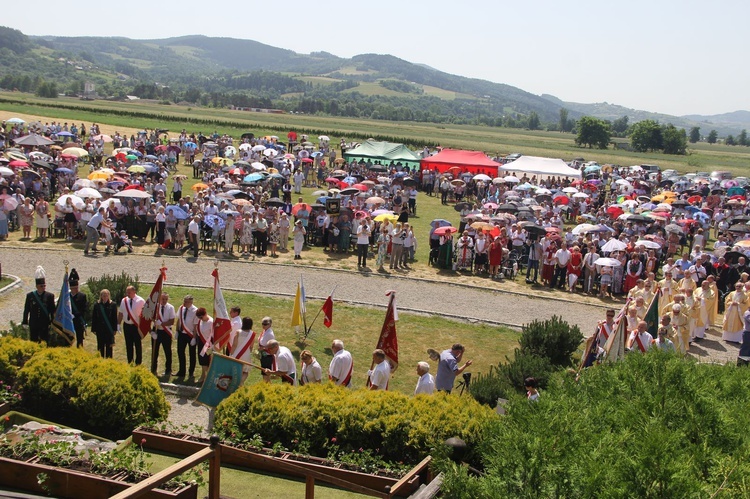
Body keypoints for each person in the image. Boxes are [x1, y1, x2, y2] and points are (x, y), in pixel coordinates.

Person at [22, 266, 55, 343]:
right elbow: (26, 310)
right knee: (34, 341)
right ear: (37, 286)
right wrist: (25, 322)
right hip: (34, 323)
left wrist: (52, 322)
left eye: (44, 286)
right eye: (41, 286)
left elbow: (52, 311)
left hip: (44, 323)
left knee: (44, 341)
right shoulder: (30, 296)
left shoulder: (50, 296)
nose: (43, 287)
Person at [118, 285, 146, 365]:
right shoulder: (124, 301)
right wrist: (118, 324)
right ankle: (130, 361)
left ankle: (138, 362)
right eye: (127, 292)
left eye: (129, 292)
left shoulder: (140, 301)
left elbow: (144, 315)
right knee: (128, 344)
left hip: (136, 326)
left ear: (134, 291)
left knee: (137, 345)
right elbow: (120, 312)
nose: (127, 294)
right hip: (127, 325)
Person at [150, 292, 176, 377]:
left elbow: (172, 321)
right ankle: (153, 369)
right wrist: (152, 330)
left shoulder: (170, 307)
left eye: (166, 299)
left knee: (167, 352)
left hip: (166, 332)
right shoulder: (155, 307)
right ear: (159, 299)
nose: (164, 301)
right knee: (155, 351)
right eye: (162, 299)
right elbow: (150, 318)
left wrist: (161, 324)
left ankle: (168, 370)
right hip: (157, 331)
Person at [175, 295, 199, 378]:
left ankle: (191, 372)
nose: (184, 303)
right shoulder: (181, 308)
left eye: (186, 301)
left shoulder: (195, 311)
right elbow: (179, 320)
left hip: (191, 335)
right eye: (184, 301)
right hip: (182, 334)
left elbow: (196, 325)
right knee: (180, 352)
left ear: (191, 302)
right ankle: (181, 371)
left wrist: (194, 338)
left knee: (192, 354)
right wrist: (176, 331)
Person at [91, 289, 118, 358]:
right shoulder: (97, 305)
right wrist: (93, 328)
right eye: (103, 295)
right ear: (101, 296)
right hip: (100, 329)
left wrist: (115, 329)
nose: (105, 297)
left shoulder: (113, 304)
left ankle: (109, 360)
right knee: (100, 346)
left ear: (109, 296)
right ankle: (100, 360)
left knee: (109, 346)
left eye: (106, 295)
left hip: (109, 329)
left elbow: (115, 318)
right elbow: (94, 317)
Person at [230, 317, 256, 384]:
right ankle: (241, 382)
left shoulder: (238, 332)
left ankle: (236, 383)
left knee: (236, 371)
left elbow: (234, 345)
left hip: (236, 354)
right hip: (246, 355)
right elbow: (251, 346)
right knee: (245, 372)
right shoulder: (252, 334)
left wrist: (231, 354)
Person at [68, 269, 88, 348]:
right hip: (69, 319)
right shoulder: (67, 297)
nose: (76, 289)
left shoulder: (82, 296)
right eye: (74, 288)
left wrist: (77, 314)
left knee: (80, 339)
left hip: (78, 320)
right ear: (71, 288)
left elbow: (85, 308)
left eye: (77, 287)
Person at [195, 307, 213, 384]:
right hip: (201, 343)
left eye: (201, 317)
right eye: (199, 318)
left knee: (208, 361)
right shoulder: (200, 321)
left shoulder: (211, 322)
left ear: (205, 314)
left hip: (209, 344)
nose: (200, 319)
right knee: (202, 360)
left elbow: (214, 336)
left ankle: (208, 378)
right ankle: (203, 375)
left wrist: (211, 347)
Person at [258, 317, 276, 382]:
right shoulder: (265, 331)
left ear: (270, 324)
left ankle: (267, 388)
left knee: (266, 374)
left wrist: (263, 348)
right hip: (264, 355)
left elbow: (273, 345)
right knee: (264, 373)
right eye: (263, 324)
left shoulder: (270, 334)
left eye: (266, 324)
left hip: (267, 356)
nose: (263, 325)